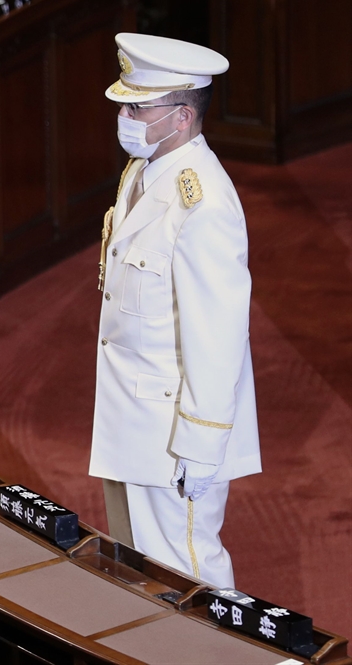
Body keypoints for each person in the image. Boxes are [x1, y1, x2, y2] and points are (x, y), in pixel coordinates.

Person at [90, 33, 261, 589]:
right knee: (139, 570)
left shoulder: (203, 203)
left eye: (137, 106)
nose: (125, 115)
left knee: (189, 573)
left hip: (172, 433)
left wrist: (202, 443)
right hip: (130, 420)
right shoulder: (144, 172)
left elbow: (218, 334)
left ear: (182, 115)